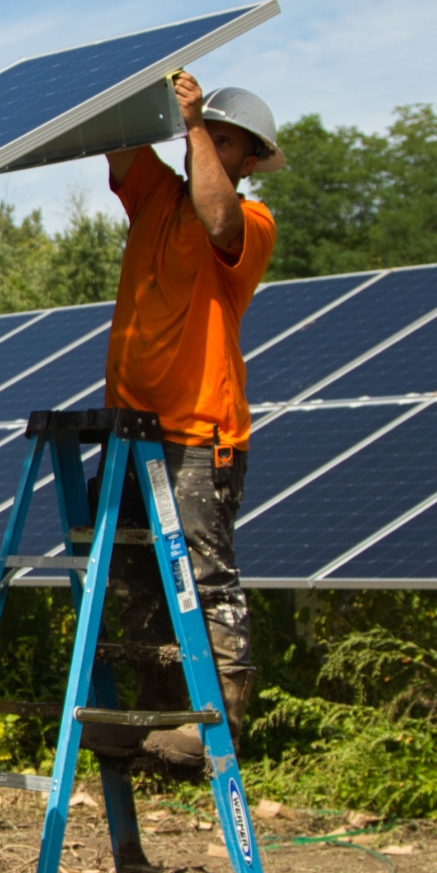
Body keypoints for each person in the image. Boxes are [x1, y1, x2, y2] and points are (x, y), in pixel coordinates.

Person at [85, 73, 281, 777]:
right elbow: (117, 147)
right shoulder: (154, 195)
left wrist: (194, 122)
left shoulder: (249, 224)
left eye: (224, 139)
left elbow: (218, 218)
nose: (206, 142)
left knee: (203, 577)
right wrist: (142, 85)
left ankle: (218, 727)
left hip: (200, 434)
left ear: (248, 159)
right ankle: (159, 720)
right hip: (131, 432)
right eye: (205, 133)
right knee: (135, 579)